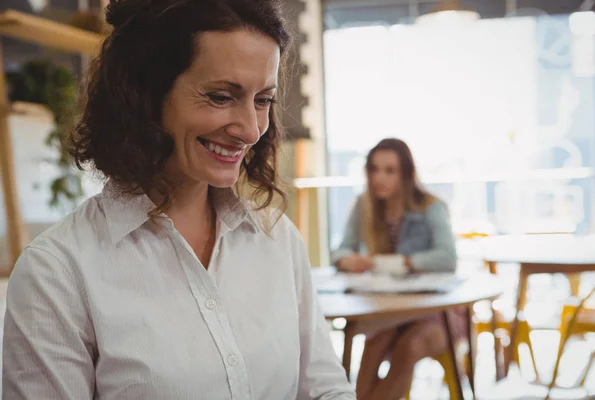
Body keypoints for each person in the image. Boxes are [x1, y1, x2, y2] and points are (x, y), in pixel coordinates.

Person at [2, 1, 355, 399]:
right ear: (144, 94)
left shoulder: (277, 240)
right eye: (221, 97)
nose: (251, 130)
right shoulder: (57, 274)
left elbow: (325, 390)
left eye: (263, 100)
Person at [331, 138, 462, 400]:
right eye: (374, 169)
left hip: (435, 313)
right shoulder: (364, 206)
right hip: (388, 310)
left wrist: (406, 262)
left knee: (408, 347)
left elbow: (448, 257)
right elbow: (340, 250)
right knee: (376, 341)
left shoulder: (431, 206)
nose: (379, 177)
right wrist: (348, 260)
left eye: (389, 170)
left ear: (405, 173)